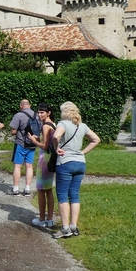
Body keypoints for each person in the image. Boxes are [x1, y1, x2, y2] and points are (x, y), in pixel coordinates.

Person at [51, 102, 100, 239]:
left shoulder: (62, 124)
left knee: (62, 195)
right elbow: (96, 139)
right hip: (80, 163)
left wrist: (56, 148)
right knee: (74, 194)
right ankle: (74, 226)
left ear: (63, 112)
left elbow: (56, 136)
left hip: (65, 162)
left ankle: (65, 228)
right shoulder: (82, 126)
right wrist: (82, 152)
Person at [26, 103, 56, 228]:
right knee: (49, 190)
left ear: (48, 112)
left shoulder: (45, 126)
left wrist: (33, 141)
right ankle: (50, 219)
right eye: (38, 112)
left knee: (40, 189)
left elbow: (45, 146)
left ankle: (42, 219)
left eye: (42, 112)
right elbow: (49, 143)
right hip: (52, 160)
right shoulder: (54, 124)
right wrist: (39, 140)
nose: (39, 114)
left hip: (45, 160)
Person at [8, 99, 37, 197]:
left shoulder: (19, 115)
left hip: (21, 143)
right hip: (33, 143)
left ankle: (16, 189)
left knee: (18, 166)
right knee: (29, 166)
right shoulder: (37, 115)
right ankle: (27, 189)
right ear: (30, 105)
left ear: (21, 106)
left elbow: (13, 131)